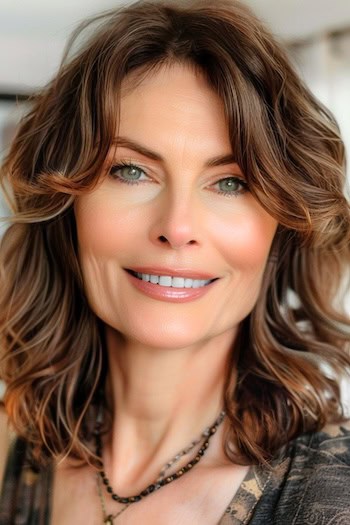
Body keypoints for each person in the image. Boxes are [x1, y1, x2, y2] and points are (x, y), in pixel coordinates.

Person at [0, 0, 350, 523]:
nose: (178, 227)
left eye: (231, 183)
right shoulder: (15, 447)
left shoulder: (335, 497)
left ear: (284, 226)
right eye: (132, 172)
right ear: (64, 202)